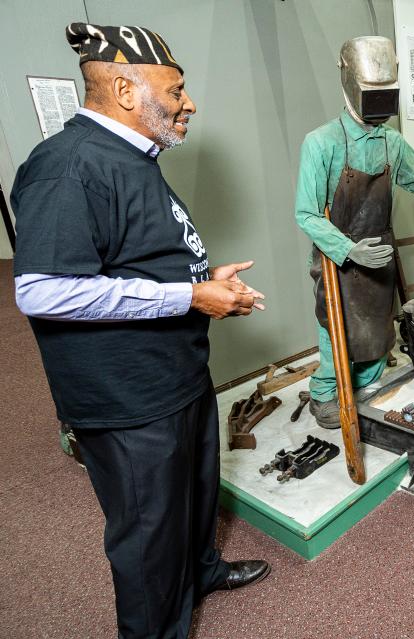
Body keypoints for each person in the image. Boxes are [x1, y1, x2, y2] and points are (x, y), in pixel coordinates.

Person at [12, 23, 270, 638]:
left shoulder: (131, 158)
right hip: (127, 402)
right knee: (147, 535)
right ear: (126, 89)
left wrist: (204, 277)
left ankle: (201, 570)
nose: (190, 103)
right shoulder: (67, 166)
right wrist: (188, 294)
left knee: (196, 493)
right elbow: (40, 289)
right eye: (176, 89)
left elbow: (134, 257)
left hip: (175, 376)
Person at [295, 36, 414, 428]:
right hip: (338, 261)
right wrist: (349, 250)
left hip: (379, 257)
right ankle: (324, 394)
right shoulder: (321, 144)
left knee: (374, 336)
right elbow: (307, 214)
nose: (382, 104)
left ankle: (365, 389)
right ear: (351, 83)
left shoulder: (392, 143)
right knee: (336, 335)